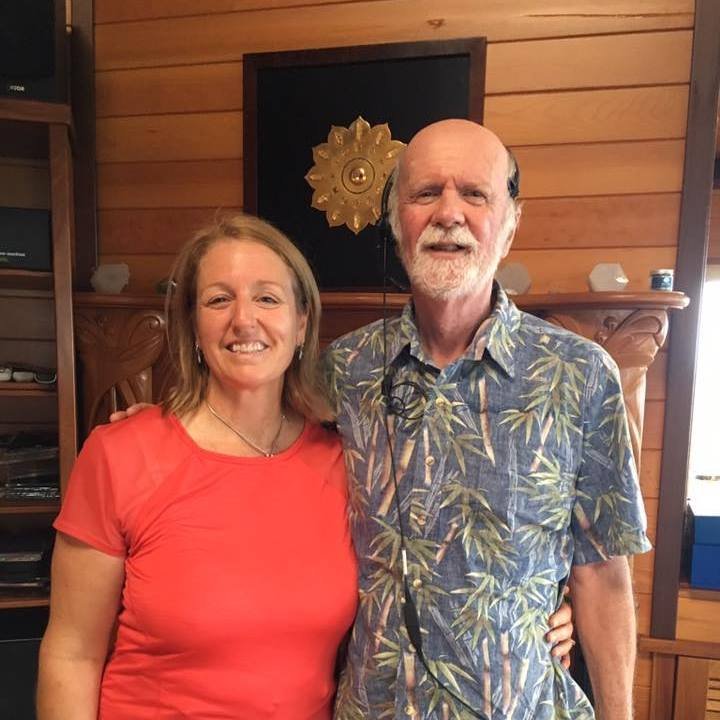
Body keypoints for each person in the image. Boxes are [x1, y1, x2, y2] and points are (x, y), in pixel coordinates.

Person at [325, 119, 650, 720]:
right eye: (426, 193)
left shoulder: (581, 375)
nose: (449, 213)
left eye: (475, 194)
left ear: (510, 224)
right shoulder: (345, 369)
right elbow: (256, 444)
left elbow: (604, 575)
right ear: (395, 221)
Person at [37, 214, 359, 719]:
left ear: (301, 324)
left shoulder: (344, 461)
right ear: (192, 327)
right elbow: (71, 654)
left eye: (267, 298)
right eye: (218, 299)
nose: (244, 319)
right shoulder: (120, 455)